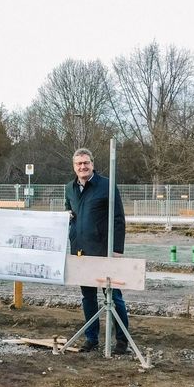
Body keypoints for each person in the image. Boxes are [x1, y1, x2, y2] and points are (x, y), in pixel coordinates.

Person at [64, 148, 130, 354]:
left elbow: (118, 219)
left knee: (114, 296)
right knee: (88, 297)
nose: (82, 167)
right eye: (79, 164)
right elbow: (69, 211)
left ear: (92, 164)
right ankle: (91, 338)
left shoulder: (106, 186)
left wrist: (116, 250)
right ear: (74, 167)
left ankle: (122, 340)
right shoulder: (70, 188)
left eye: (86, 163)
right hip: (81, 251)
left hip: (103, 252)